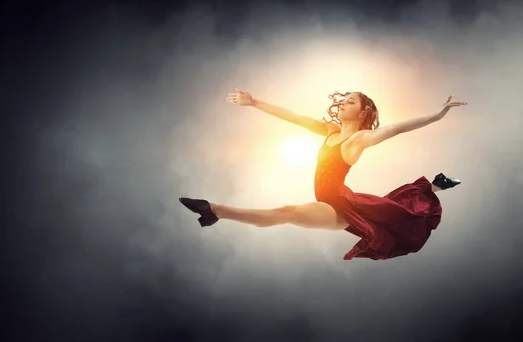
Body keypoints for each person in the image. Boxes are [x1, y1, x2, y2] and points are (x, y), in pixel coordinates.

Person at [179, 88, 467, 260]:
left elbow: (397, 128)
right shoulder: (329, 131)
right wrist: (255, 103)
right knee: (392, 205)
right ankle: (436, 185)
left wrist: (438, 115)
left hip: (339, 207)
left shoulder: (358, 140)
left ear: (364, 111)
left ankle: (214, 210)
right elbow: (294, 117)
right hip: (337, 198)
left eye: (351, 101)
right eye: (343, 100)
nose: (343, 104)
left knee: (287, 212)